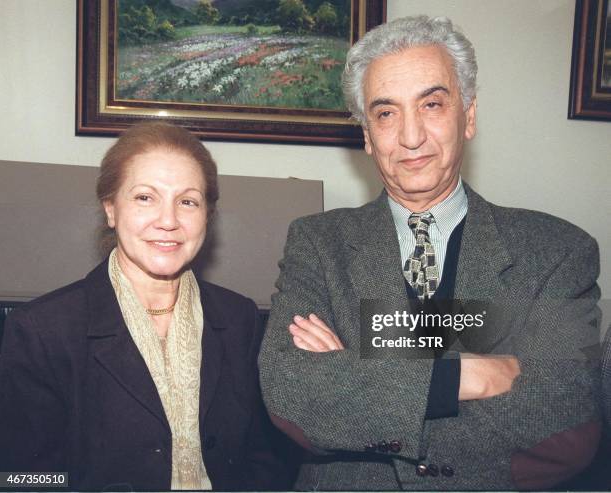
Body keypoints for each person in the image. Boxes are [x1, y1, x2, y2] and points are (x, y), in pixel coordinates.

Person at [258, 15, 602, 490]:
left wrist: (358, 377)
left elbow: (565, 422)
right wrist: (468, 377)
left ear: (470, 116)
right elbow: (292, 396)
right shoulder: (318, 243)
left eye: (432, 104)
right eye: (385, 113)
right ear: (366, 136)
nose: (411, 136)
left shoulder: (558, 252)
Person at [0, 122, 291, 491]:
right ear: (110, 209)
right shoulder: (42, 329)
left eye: (187, 201)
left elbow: (265, 458)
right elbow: (25, 479)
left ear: (207, 215)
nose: (168, 221)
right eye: (144, 198)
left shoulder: (240, 319)